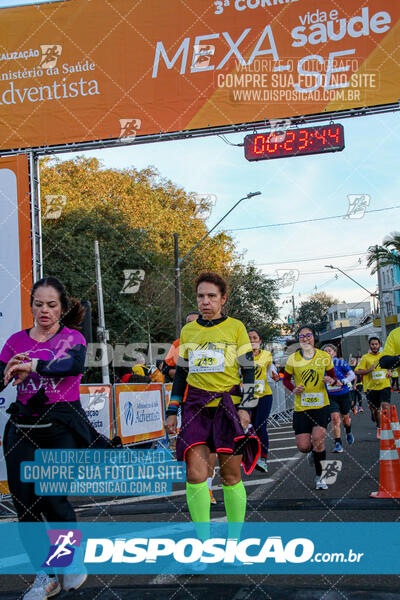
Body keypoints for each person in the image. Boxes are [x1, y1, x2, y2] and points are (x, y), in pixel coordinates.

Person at [1, 277, 119, 599]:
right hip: (21, 429)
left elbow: (73, 364)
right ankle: (45, 575)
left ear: (62, 308)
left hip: (60, 427)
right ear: (31, 306)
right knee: (24, 507)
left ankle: (67, 558)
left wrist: (34, 365)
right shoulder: (14, 341)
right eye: (38, 304)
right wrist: (6, 371)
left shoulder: (73, 338)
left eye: (52, 305)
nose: (44, 310)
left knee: (54, 500)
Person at [165, 272, 259, 529]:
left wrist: (246, 408)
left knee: (230, 476)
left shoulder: (236, 327)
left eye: (211, 296)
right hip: (196, 407)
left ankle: (234, 541)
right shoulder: (188, 331)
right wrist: (172, 411)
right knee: (195, 475)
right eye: (200, 296)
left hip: (228, 407)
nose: (205, 301)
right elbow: (181, 374)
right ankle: (203, 546)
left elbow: (248, 370)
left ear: (222, 299)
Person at [283, 325, 337, 490]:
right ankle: (312, 453)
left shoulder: (323, 356)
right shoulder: (293, 359)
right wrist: (294, 388)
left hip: (321, 405)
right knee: (304, 446)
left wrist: (331, 381)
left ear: (314, 337)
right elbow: (285, 379)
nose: (305, 338)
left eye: (308, 335)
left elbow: (333, 377)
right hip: (302, 408)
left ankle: (320, 477)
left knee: (318, 440)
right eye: (302, 336)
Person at [247, 328, 279, 472]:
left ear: (260, 341)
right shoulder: (240, 356)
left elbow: (273, 371)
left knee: (260, 425)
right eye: (249, 338)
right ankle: (252, 456)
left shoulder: (267, 355)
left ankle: (263, 458)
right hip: (247, 394)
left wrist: (276, 376)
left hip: (264, 394)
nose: (252, 341)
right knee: (248, 427)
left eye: (254, 338)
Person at [321, 344, 355, 453]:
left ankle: (348, 431)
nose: (327, 353)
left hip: (343, 394)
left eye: (329, 351)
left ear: (334, 353)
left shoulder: (340, 363)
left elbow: (352, 375)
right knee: (335, 418)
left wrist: (343, 381)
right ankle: (338, 443)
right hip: (331, 396)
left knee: (346, 418)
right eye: (325, 352)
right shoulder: (320, 365)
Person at [356, 336, 391, 437]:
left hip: (384, 386)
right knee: (376, 410)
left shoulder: (384, 356)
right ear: (370, 346)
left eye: (376, 344)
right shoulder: (365, 358)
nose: (374, 346)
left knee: (384, 406)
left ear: (379, 345)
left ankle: (384, 428)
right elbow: (357, 371)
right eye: (372, 344)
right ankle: (378, 425)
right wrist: (369, 370)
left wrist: (389, 372)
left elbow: (390, 367)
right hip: (371, 388)